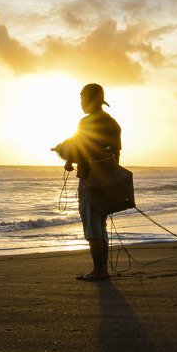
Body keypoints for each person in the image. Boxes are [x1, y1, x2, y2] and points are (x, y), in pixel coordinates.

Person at [53, 83, 122, 281]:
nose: (81, 102)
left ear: (90, 99)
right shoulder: (113, 124)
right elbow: (113, 154)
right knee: (100, 224)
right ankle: (102, 269)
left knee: (91, 224)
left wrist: (64, 153)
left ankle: (98, 270)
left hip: (90, 180)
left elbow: (79, 147)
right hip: (107, 180)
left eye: (82, 98)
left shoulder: (86, 122)